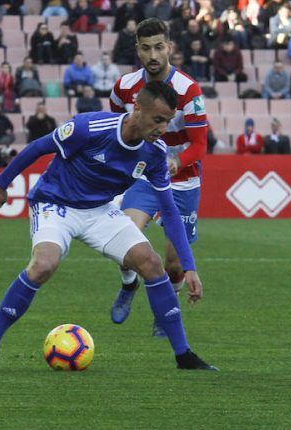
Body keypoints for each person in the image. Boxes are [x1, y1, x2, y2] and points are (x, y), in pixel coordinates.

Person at [0, 80, 216, 372]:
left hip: (99, 211)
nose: (162, 128)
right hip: (55, 204)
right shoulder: (90, 127)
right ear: (137, 109)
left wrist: (189, 266)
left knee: (151, 263)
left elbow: (170, 212)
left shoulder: (155, 153)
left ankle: (183, 355)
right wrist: (1, 183)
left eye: (167, 122)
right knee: (43, 265)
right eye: (157, 120)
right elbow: (38, 147)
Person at [109, 19, 208, 336]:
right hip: (143, 176)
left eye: (159, 47)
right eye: (146, 48)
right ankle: (128, 283)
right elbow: (117, 131)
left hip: (183, 180)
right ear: (137, 49)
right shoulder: (124, 87)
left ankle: (168, 306)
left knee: (175, 264)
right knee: (124, 237)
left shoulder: (188, 90)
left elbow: (200, 145)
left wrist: (176, 161)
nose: (153, 55)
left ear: (170, 47)